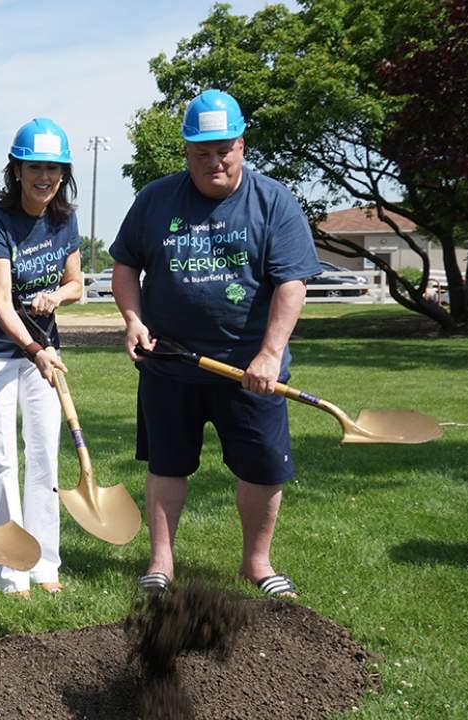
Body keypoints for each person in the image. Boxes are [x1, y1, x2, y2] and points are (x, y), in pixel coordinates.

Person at [110, 89, 321, 598]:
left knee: (263, 469)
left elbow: (292, 283)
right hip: (170, 363)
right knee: (167, 465)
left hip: (251, 371)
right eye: (201, 152)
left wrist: (269, 354)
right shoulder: (155, 199)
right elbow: (124, 265)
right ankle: (160, 564)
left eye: (223, 149)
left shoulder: (274, 201)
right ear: (186, 152)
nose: (213, 161)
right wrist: (133, 319)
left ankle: (257, 564)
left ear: (242, 145)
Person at [0, 118, 84, 597]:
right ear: (16, 170)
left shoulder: (65, 218)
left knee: (43, 458)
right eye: (35, 167)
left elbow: (76, 283)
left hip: (43, 351)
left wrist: (56, 298)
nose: (44, 177)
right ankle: (11, 570)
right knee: (0, 459)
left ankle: (46, 564)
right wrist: (34, 348)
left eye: (53, 168)